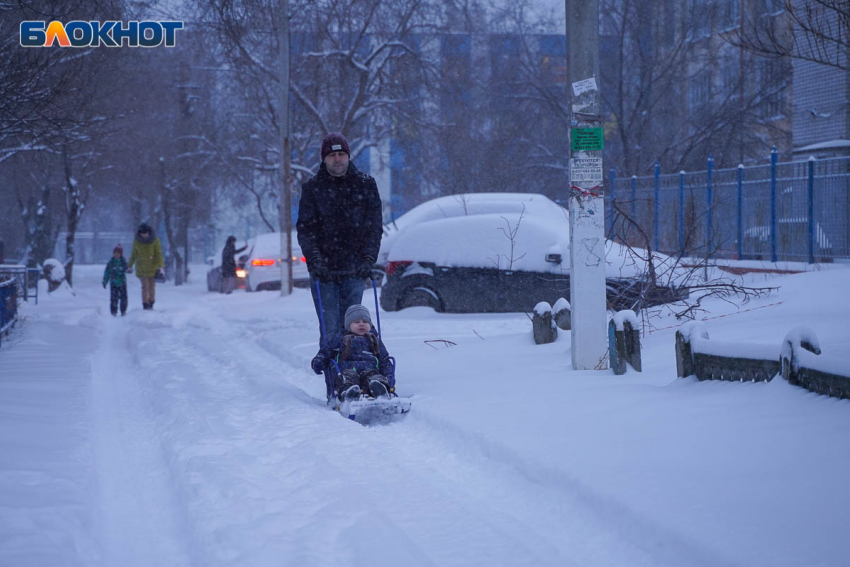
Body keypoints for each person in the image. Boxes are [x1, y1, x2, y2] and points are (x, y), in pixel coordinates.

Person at [297, 132, 383, 350]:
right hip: (323, 272)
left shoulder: (365, 185)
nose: (337, 159)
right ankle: (333, 378)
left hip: (354, 270)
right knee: (330, 329)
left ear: (348, 156)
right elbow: (306, 230)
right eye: (332, 154)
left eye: (342, 154)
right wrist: (315, 259)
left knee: (354, 326)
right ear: (324, 158)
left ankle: (354, 373)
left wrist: (368, 258)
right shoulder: (312, 189)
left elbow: (374, 227)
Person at [311, 304, 392, 401]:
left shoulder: (374, 340)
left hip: (370, 370)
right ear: (348, 325)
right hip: (346, 371)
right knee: (347, 379)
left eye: (365, 321)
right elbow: (326, 351)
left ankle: (380, 390)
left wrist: (389, 376)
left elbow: (384, 360)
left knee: (374, 378)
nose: (361, 324)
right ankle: (349, 393)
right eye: (356, 322)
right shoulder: (340, 339)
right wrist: (319, 361)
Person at [127, 222, 164, 310]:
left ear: (149, 232)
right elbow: (133, 254)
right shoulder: (136, 242)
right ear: (139, 233)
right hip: (141, 268)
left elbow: (158, 254)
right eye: (142, 234)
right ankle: (145, 303)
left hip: (152, 268)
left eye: (145, 233)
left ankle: (151, 301)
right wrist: (130, 266)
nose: (144, 235)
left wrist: (161, 267)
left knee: (152, 286)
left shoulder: (155, 241)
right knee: (145, 286)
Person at [102, 243, 128, 316]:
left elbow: (127, 269)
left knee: (123, 298)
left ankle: (123, 310)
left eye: (118, 253)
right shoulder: (111, 263)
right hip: (113, 283)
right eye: (115, 253)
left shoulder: (123, 262)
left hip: (122, 283)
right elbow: (107, 273)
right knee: (114, 298)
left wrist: (128, 270)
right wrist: (105, 281)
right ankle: (113, 311)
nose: (116, 255)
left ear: (121, 254)